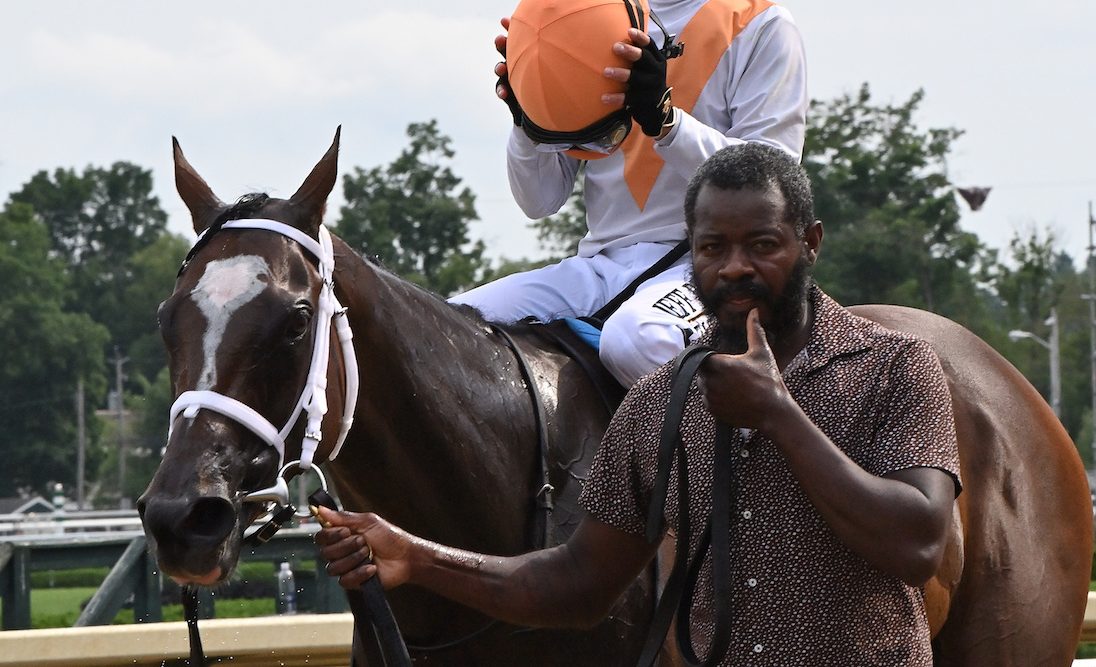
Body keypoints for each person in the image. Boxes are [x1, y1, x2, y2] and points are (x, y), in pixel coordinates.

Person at [318, 143, 962, 665]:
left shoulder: (897, 368)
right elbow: (575, 586)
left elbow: (917, 544)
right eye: (712, 248)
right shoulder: (659, 404)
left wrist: (778, 415)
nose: (735, 267)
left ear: (810, 242)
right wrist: (417, 556)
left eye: (763, 244)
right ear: (691, 256)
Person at [451, 0, 809, 387]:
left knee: (637, 340)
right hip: (600, 264)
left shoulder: (762, 25)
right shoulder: (586, 17)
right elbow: (539, 200)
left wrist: (665, 122)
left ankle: (756, 463)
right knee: (453, 327)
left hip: (708, 265)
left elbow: (773, 188)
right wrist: (527, 120)